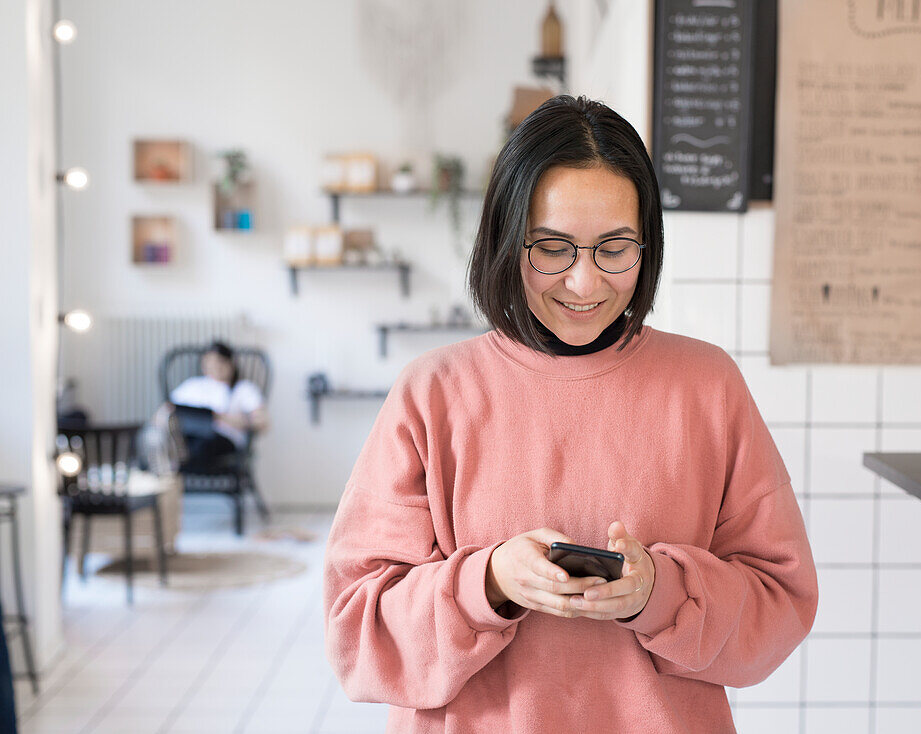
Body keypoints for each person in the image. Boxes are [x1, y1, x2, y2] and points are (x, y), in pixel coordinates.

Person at [323, 96, 817, 733]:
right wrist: (488, 582)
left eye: (615, 248)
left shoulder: (707, 386)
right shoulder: (432, 395)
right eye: (551, 248)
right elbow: (356, 631)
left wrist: (658, 592)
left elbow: (780, 602)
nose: (585, 284)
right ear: (506, 239)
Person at [166, 341, 267, 471]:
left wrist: (219, 417)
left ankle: (173, 467)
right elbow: (167, 409)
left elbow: (262, 422)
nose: (214, 366)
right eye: (209, 362)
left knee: (200, 445)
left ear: (231, 363)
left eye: (219, 361)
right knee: (166, 439)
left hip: (221, 439)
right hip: (186, 434)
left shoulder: (243, 389)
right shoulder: (192, 385)